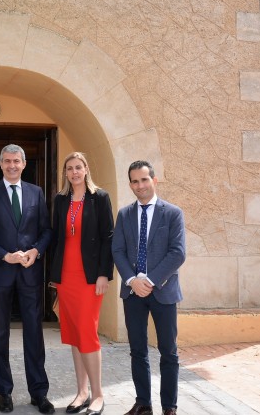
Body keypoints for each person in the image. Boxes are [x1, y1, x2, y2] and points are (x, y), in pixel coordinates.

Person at [0, 144, 54, 414]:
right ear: (0, 164)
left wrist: (36, 251)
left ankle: (38, 393)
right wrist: (4, 256)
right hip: (0, 274)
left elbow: (46, 231)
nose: (12, 165)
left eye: (16, 161)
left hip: (30, 274)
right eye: (7, 161)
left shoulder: (36, 192)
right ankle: (4, 392)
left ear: (23, 164)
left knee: (34, 333)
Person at [111, 160, 186, 415]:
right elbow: (117, 250)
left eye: (144, 180)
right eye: (134, 181)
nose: (139, 185)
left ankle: (169, 407)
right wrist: (133, 280)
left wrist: (150, 281)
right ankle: (143, 403)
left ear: (154, 180)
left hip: (163, 291)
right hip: (133, 292)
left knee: (168, 351)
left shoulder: (172, 213)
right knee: (137, 350)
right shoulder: (124, 214)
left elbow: (177, 254)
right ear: (130, 184)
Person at [49, 152, 113, 415]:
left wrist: (103, 274)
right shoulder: (61, 199)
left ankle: (98, 394)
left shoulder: (100, 198)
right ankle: (81, 392)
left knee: (87, 333)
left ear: (86, 169)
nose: (74, 172)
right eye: (69, 168)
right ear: (65, 173)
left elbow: (108, 236)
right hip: (66, 277)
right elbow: (56, 238)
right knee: (74, 334)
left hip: (89, 277)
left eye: (78, 167)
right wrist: (54, 277)